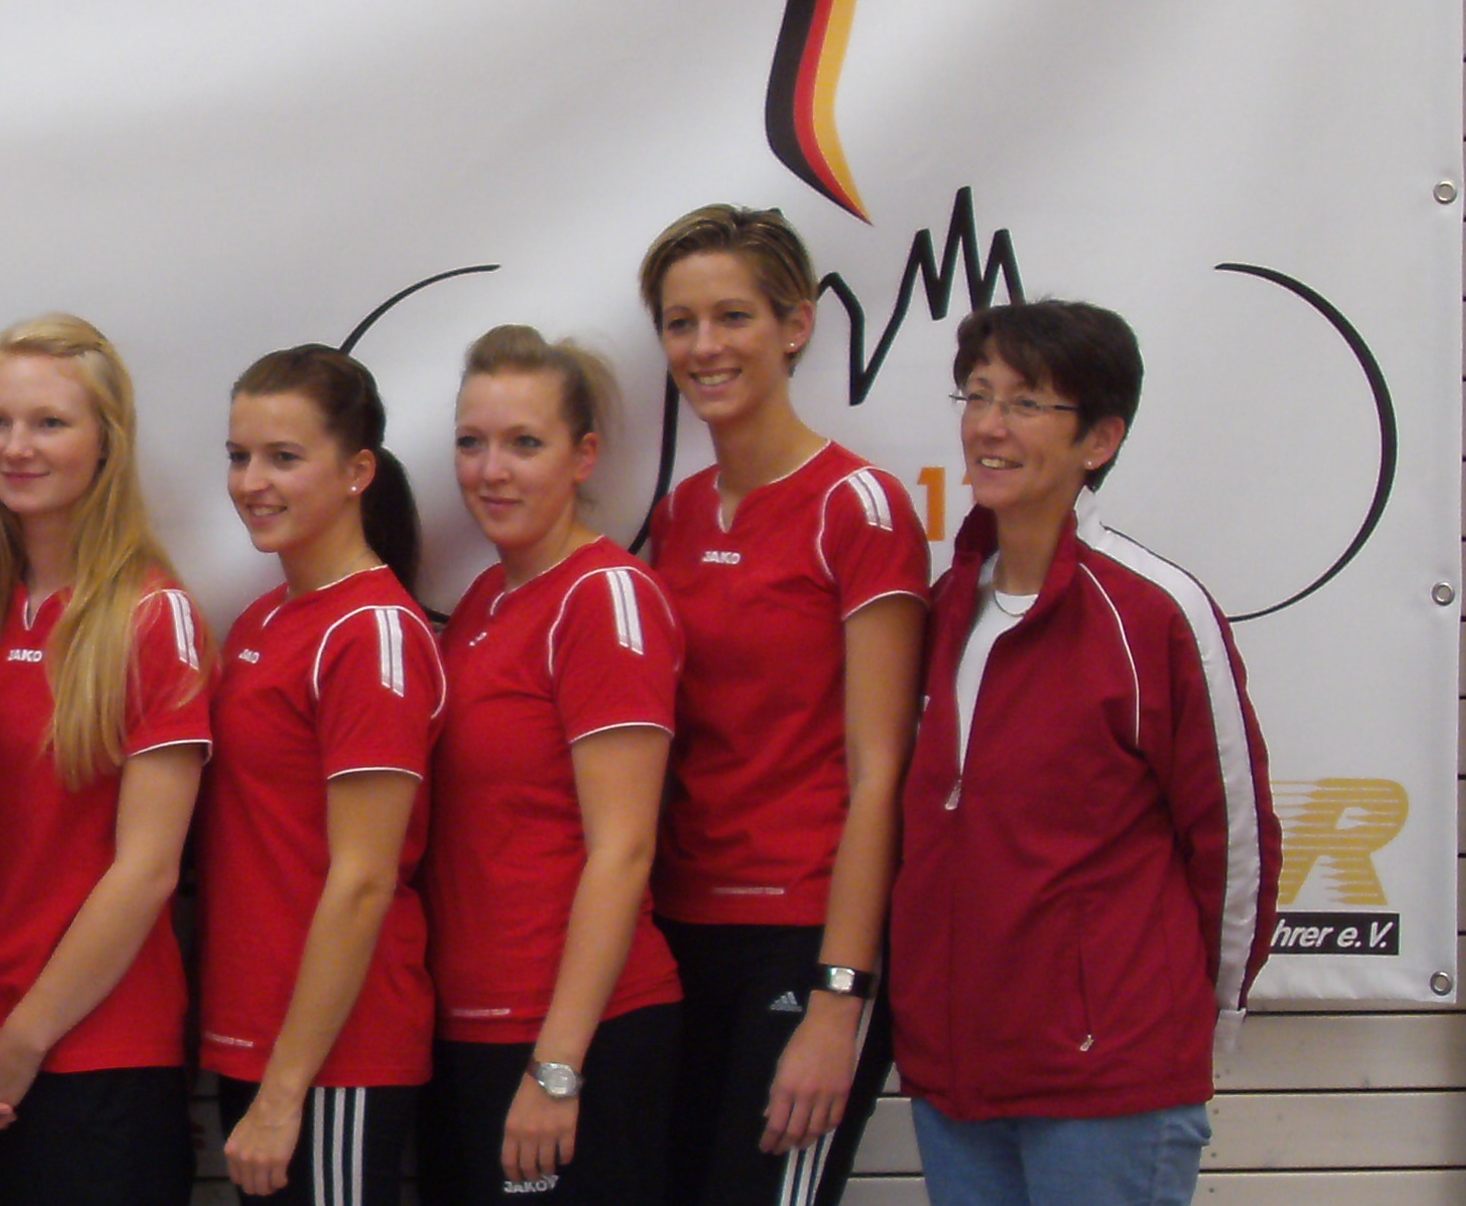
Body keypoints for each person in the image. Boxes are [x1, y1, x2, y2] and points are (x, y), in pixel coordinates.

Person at [893, 301, 1277, 1206]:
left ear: (1100, 439)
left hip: (1110, 1085)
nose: (989, 425)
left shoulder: (1157, 611)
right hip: (957, 1079)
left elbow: (1235, 844)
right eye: (977, 394)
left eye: (1026, 403)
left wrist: (1200, 1020)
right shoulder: (945, 605)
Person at [636, 207, 926, 1206]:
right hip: (678, 932)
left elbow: (881, 771)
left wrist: (838, 998)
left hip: (803, 934)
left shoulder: (859, 507)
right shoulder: (677, 512)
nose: (703, 346)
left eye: (732, 316)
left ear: (795, 324)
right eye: (679, 322)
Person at [0, 316, 210, 1206]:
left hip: (95, 1062)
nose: (17, 447)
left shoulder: (152, 615)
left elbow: (148, 869)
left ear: (106, 442)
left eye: (49, 422)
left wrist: (26, 1038)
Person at [424, 326, 682, 1206]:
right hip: (473, 1025)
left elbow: (624, 849)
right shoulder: (483, 603)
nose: (492, 470)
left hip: (574, 1036)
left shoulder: (604, 596)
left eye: (525, 443)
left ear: (584, 456)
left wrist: (558, 1065)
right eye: (472, 442)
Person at [198, 344, 442, 1206]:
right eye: (240, 455)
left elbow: (365, 879)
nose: (252, 481)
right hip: (253, 1032)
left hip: (337, 1056)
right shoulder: (264, 618)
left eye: (284, 457)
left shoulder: (372, 631)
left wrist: (284, 1089)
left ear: (357, 472)